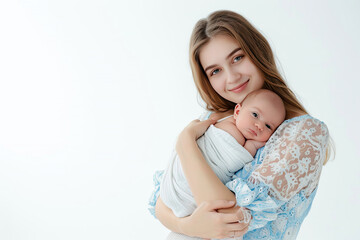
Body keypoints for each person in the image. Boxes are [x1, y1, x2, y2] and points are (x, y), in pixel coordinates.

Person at [148, 10, 332, 240]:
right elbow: (161, 203)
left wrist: (185, 143)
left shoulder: (304, 133)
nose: (232, 77)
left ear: (257, 51)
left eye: (237, 58)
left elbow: (230, 220)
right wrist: (187, 227)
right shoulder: (215, 118)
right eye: (215, 71)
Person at [160, 89, 286, 219]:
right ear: (237, 111)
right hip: (185, 167)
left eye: (268, 126)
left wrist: (255, 144)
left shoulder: (249, 145)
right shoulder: (222, 120)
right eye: (255, 114)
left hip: (200, 190)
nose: (259, 125)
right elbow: (199, 136)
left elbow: (240, 159)